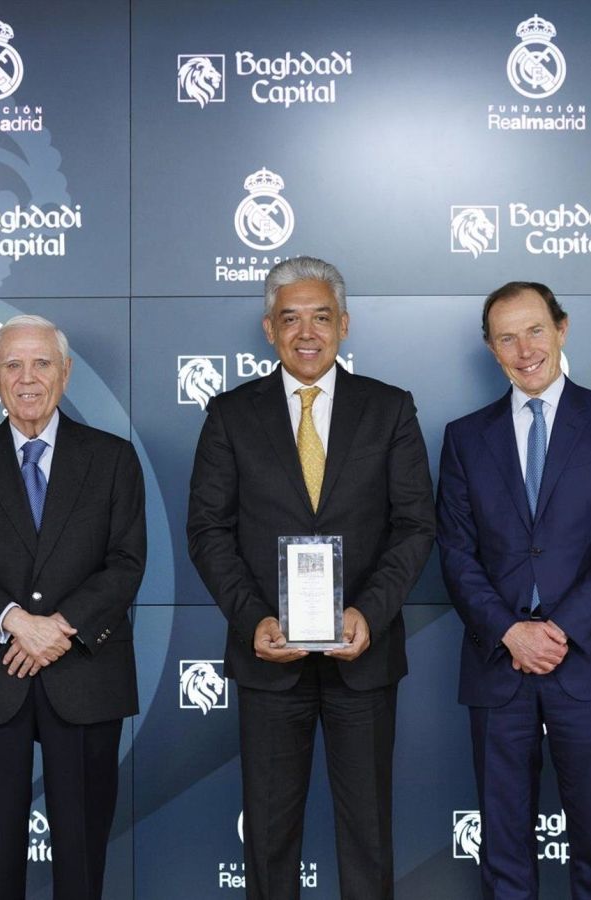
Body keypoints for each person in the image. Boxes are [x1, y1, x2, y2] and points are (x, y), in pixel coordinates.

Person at [187, 256, 435, 900]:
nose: (306, 333)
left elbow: (415, 526)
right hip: (269, 658)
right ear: (269, 329)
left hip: (363, 657)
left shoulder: (389, 408)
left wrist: (369, 613)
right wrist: (254, 620)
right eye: (290, 318)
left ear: (343, 325)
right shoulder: (230, 414)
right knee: (269, 839)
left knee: (368, 836)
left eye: (321, 317)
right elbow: (208, 531)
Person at [436, 282, 591, 900]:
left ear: (562, 328)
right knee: (503, 852)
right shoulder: (464, 437)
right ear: (490, 348)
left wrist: (558, 632)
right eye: (506, 337)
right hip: (498, 664)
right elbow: (455, 550)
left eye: (535, 330)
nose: (524, 349)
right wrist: (510, 632)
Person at [0, 314, 145, 900]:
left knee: (81, 858)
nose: (27, 378)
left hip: (84, 674)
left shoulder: (113, 459)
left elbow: (126, 563)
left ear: (66, 372)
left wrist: (59, 628)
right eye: (13, 364)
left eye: (41, 363)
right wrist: (17, 623)